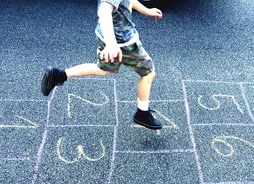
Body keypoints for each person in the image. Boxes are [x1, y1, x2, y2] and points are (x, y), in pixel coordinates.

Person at [41, 0, 163, 130]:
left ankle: (59, 75)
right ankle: (142, 113)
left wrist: (146, 10)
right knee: (148, 73)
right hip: (121, 42)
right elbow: (104, 11)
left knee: (102, 69)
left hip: (110, 38)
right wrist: (111, 44)